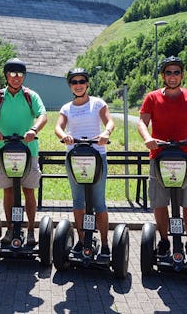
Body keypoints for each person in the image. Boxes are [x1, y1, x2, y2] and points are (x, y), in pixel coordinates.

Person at [137, 56, 187, 261]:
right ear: (163, 76)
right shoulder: (152, 98)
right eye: (168, 72)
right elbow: (142, 122)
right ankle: (165, 241)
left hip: (186, 155)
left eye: (176, 72)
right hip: (160, 156)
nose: (173, 76)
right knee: (159, 202)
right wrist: (148, 138)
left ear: (182, 75)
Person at [0, 58, 47, 246]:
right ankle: (10, 229)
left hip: (29, 150)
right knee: (8, 191)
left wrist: (33, 130)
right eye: (12, 74)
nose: (16, 78)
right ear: (6, 75)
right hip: (5, 150)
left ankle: (32, 230)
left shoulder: (31, 96)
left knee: (29, 191)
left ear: (24, 76)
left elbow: (43, 115)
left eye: (20, 74)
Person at [54, 68, 115, 260]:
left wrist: (106, 134)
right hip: (75, 159)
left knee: (99, 203)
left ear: (87, 84)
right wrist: (64, 136)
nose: (78, 85)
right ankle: (81, 241)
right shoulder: (66, 108)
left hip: (96, 157)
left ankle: (105, 244)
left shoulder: (98, 103)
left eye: (82, 81)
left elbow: (109, 122)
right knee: (78, 202)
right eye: (74, 82)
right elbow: (58, 127)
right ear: (70, 86)